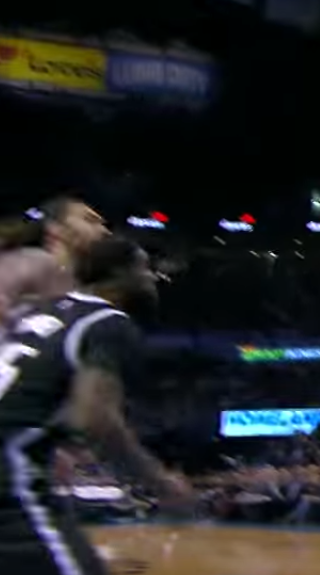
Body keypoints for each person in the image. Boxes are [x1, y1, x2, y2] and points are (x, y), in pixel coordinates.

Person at [0, 235, 191, 575]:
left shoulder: (35, 310)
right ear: (119, 273)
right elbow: (94, 420)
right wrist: (163, 485)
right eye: (145, 268)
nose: (152, 277)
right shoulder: (108, 323)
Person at [0, 197, 109, 321]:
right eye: (90, 220)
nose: (104, 230)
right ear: (55, 228)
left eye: (103, 224)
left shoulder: (80, 285)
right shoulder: (29, 262)